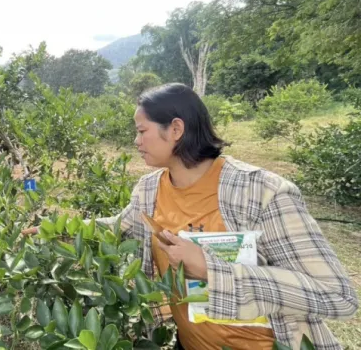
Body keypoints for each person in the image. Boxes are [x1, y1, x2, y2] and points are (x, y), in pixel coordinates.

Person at [23, 83, 357, 350]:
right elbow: (119, 228)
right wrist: (56, 230)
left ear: (176, 129)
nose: (136, 141)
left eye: (142, 131)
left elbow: (337, 295)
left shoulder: (262, 192)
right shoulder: (149, 190)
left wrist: (212, 269)